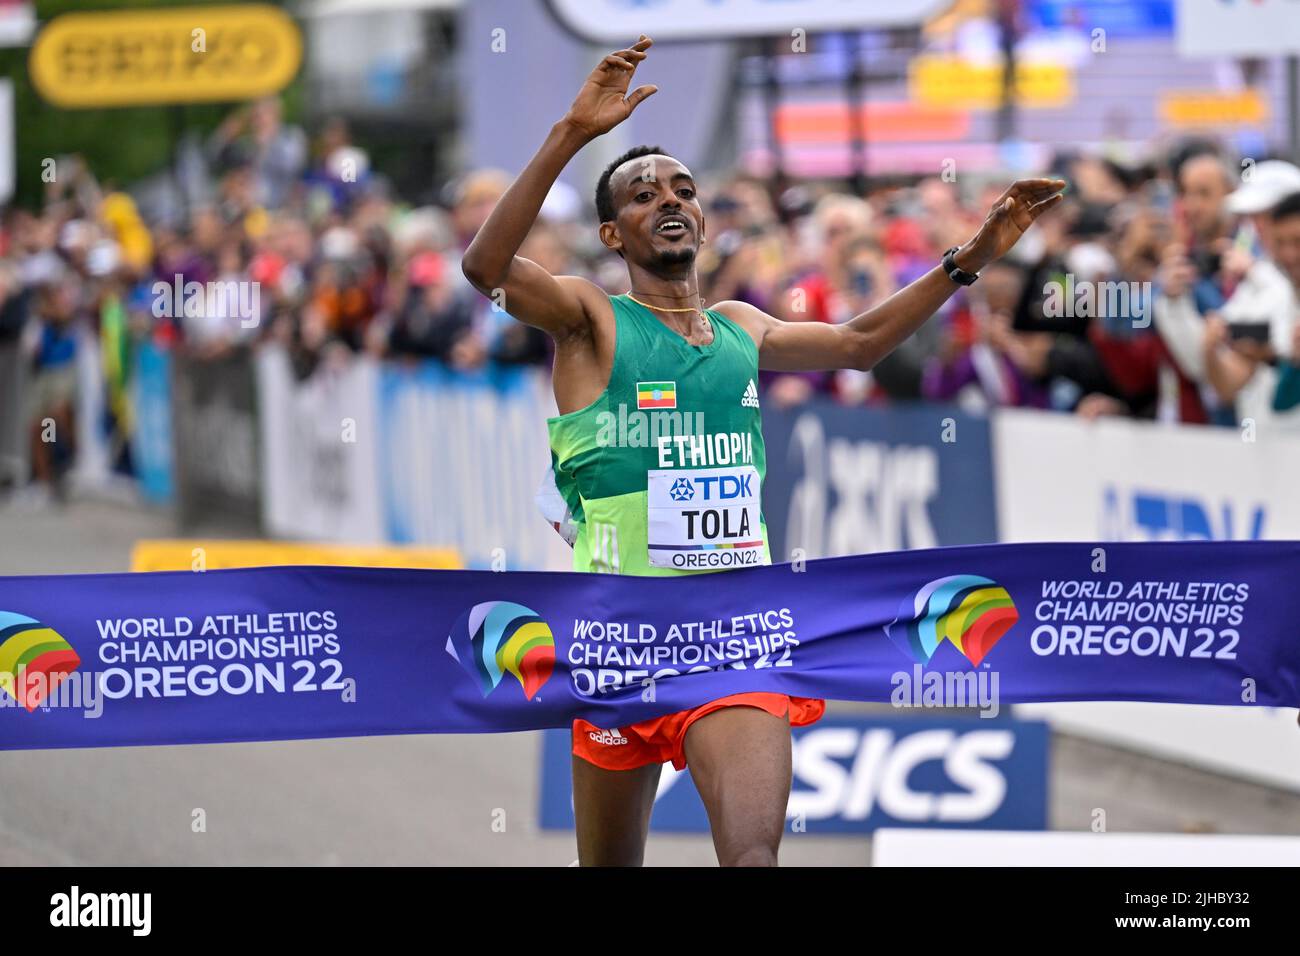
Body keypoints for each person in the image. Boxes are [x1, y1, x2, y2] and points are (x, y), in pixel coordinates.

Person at [461, 35, 1064, 867]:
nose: (668, 199)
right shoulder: (589, 320)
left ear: (702, 216)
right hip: (617, 639)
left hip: (731, 635)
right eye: (642, 195)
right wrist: (572, 131)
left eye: (683, 188)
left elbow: (857, 343)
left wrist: (969, 259)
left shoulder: (743, 328)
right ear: (611, 231)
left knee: (753, 860)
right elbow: (486, 265)